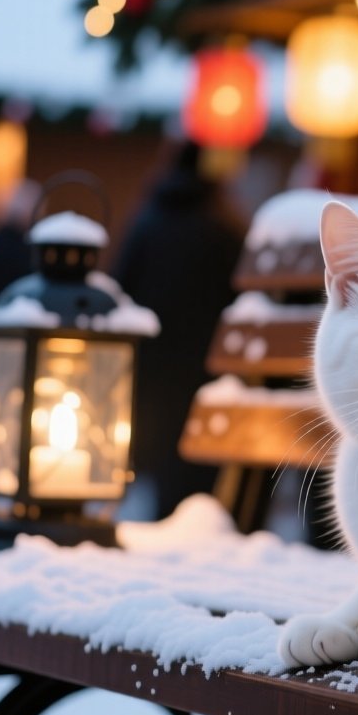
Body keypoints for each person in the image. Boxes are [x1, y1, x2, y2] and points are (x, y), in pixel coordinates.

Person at [113, 142, 246, 519]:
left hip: (152, 367)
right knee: (194, 472)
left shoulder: (147, 221)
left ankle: (167, 523)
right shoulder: (223, 227)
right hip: (204, 368)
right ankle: (193, 525)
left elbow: (120, 287)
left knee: (160, 464)